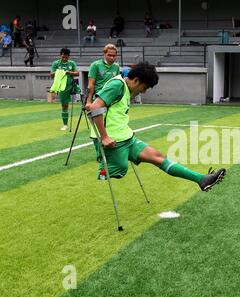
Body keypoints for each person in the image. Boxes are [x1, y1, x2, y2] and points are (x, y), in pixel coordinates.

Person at [87, 62, 226, 192]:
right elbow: (94, 108)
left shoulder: (126, 83)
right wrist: (104, 137)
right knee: (119, 171)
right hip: (111, 141)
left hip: (125, 137)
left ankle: (201, 179)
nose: (144, 91)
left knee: (158, 157)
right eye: (145, 87)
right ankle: (103, 164)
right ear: (136, 80)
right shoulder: (117, 86)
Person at [86, 44, 120, 161]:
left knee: (109, 126)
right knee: (96, 128)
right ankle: (99, 155)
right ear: (104, 54)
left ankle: (109, 149)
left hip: (111, 101)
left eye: (114, 56)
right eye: (109, 55)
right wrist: (89, 101)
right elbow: (91, 85)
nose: (112, 58)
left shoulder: (116, 67)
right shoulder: (95, 65)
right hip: (98, 99)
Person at [50, 47, 80, 131]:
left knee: (82, 101)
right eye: (63, 56)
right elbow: (51, 75)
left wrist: (69, 72)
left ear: (68, 56)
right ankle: (65, 124)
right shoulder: (56, 63)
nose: (64, 58)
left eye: (66, 57)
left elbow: (77, 73)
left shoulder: (72, 63)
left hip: (72, 85)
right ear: (60, 55)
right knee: (65, 105)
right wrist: (58, 72)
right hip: (62, 88)